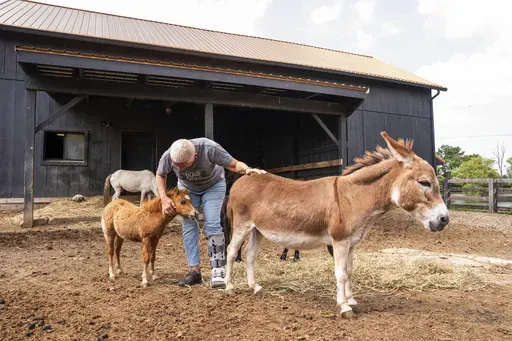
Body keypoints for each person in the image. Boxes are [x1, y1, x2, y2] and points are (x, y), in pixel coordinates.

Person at [156, 137, 266, 288]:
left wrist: (247, 170)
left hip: (213, 186)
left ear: (194, 156)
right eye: (177, 166)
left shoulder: (209, 148)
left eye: (183, 165)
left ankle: (218, 269)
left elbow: (233, 165)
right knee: (189, 226)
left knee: (213, 223)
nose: (179, 169)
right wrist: (163, 197)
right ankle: (194, 271)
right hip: (187, 188)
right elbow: (160, 174)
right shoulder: (168, 156)